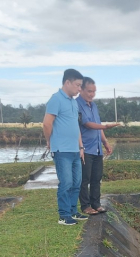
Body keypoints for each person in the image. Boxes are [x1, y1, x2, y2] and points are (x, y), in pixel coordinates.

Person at [43, 68, 88, 225]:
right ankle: (63, 215)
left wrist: (81, 147)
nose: (79, 89)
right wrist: (50, 141)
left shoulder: (73, 102)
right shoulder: (56, 99)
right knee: (66, 183)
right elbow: (47, 123)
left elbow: (75, 127)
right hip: (62, 150)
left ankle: (73, 211)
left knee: (77, 182)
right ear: (67, 82)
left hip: (75, 150)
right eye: (77, 85)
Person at [76, 77, 120, 215]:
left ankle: (96, 203)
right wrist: (106, 126)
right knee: (85, 178)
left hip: (96, 148)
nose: (92, 94)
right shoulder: (76, 105)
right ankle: (85, 206)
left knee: (96, 177)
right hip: (85, 148)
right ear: (81, 89)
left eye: (94, 91)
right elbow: (87, 123)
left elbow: (97, 126)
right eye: (89, 91)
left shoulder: (93, 105)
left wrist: (105, 142)